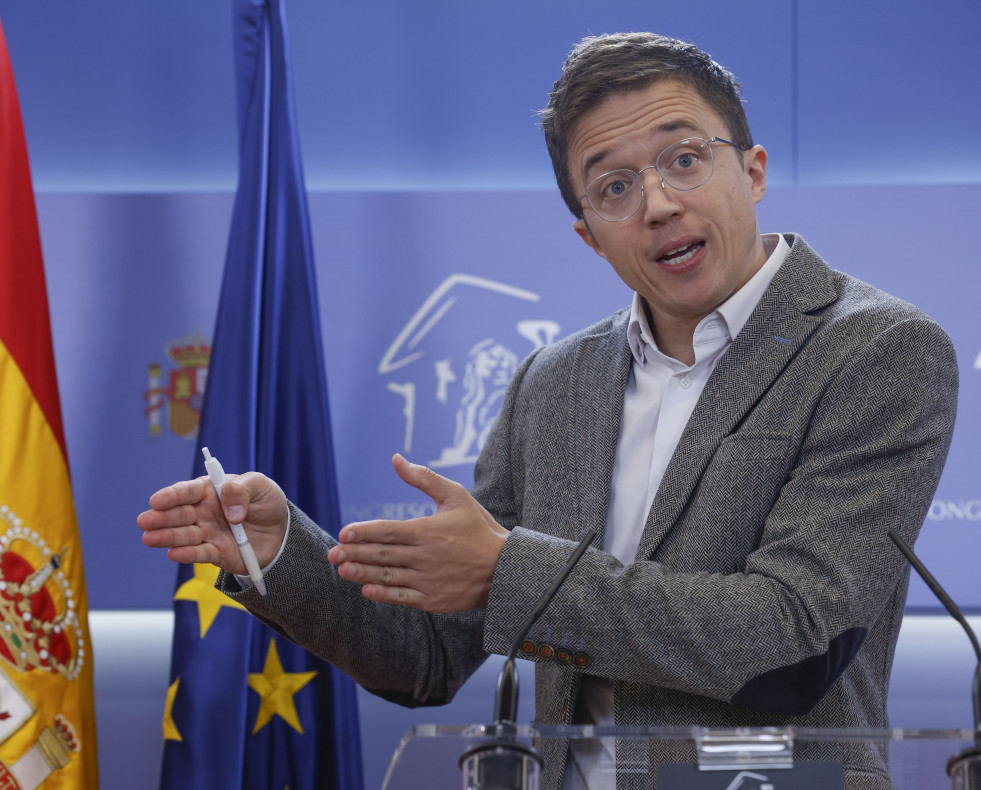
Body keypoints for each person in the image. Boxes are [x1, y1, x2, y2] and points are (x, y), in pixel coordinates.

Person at [138, 32, 959, 789]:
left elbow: (790, 636)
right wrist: (282, 554)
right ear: (588, 236)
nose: (658, 204)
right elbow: (426, 658)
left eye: (683, 159)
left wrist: (505, 568)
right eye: (614, 186)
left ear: (751, 170)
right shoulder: (552, 382)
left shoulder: (877, 349)